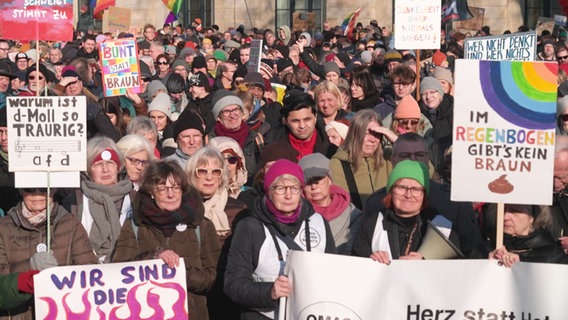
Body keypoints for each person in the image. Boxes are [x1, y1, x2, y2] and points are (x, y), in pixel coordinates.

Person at [224, 159, 336, 319]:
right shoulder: (250, 227)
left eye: (294, 188)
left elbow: (332, 272)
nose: (288, 195)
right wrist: (269, 291)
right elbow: (233, 284)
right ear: (269, 190)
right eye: (280, 188)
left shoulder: (318, 223)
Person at [112, 161, 220, 320]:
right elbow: (118, 272)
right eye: (162, 189)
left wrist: (178, 271)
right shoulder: (135, 226)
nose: (171, 194)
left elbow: (213, 278)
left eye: (176, 187)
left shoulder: (201, 226)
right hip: (147, 313)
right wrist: (153, 259)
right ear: (151, 192)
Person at [358, 133, 483, 257]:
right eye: (404, 155)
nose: (413, 160)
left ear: (428, 160)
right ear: (392, 160)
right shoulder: (375, 203)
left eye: (419, 155)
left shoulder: (454, 202)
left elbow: (472, 253)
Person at [0, 187, 98, 318]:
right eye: (29, 188)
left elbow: (89, 274)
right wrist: (30, 266)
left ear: (54, 190)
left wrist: (58, 277)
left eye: (44, 189)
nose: (37, 194)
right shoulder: (3, 227)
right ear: (20, 190)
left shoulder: (71, 224)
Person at [352, 160, 459, 263]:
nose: (408, 195)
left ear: (424, 194)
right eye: (401, 187)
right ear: (391, 191)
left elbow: (455, 269)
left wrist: (426, 262)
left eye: (416, 189)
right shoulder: (372, 224)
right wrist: (371, 260)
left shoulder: (442, 227)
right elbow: (357, 263)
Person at [63, 136, 134, 263]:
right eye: (98, 164)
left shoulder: (135, 198)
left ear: (118, 167)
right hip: (86, 271)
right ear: (89, 170)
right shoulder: (75, 200)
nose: (105, 170)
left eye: (110, 163)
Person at [330, 109, 392, 209]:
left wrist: (396, 140)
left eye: (376, 134)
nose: (372, 139)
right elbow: (341, 204)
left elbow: (420, 169)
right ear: (355, 134)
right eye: (366, 133)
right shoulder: (339, 163)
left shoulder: (388, 159)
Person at [300, 153, 361, 254]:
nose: (314, 187)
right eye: (307, 182)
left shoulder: (353, 215)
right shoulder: (295, 216)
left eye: (318, 180)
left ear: (329, 180)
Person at [185, 146, 248, 244]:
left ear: (222, 177)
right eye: (202, 171)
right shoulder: (180, 208)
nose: (209, 177)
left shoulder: (238, 210)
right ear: (191, 174)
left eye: (216, 172)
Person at [206, 89, 263, 182]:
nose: (233, 115)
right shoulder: (209, 141)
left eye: (236, 109)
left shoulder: (256, 139)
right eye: (227, 111)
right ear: (218, 117)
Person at [488, 204, 568, 266]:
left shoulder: (554, 255)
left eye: (514, 210)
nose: (505, 217)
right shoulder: (482, 250)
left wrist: (522, 265)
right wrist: (487, 265)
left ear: (532, 217)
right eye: (503, 209)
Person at [264, 90, 336, 159]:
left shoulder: (330, 149)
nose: (302, 126)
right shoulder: (271, 143)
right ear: (285, 121)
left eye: (307, 119)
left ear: (315, 117)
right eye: (295, 121)